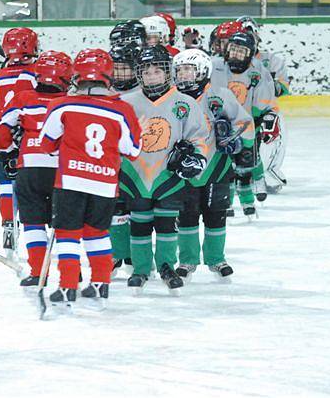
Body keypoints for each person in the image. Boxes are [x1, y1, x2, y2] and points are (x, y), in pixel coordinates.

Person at [39, 48, 142, 307]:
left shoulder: (62, 104)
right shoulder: (123, 110)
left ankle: (67, 287)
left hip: (71, 181)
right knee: (97, 232)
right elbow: (133, 150)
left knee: (67, 233)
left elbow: (46, 144)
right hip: (105, 184)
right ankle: (100, 283)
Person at [120, 45, 208, 294]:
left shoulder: (184, 103)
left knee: (167, 224)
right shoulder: (127, 103)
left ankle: (167, 266)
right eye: (146, 73)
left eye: (157, 72)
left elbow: (198, 136)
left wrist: (196, 157)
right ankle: (140, 268)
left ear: (167, 73)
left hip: (169, 176)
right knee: (139, 223)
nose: (151, 77)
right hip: (135, 174)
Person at [0, 50, 73, 286]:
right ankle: (71, 274)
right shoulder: (70, 100)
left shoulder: (23, 98)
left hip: (30, 169)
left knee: (33, 222)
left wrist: (8, 153)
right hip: (62, 171)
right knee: (66, 224)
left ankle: (38, 272)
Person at [172, 49, 255, 280]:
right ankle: (187, 260)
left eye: (188, 69)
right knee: (186, 215)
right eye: (179, 71)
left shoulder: (220, 96)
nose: (183, 75)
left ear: (203, 71)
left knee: (216, 215)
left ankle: (216, 259)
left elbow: (244, 122)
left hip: (217, 168)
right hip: (185, 171)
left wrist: (239, 143)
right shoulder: (174, 99)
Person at [211, 31, 277, 218]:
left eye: (242, 51)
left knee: (245, 167)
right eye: (233, 49)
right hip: (220, 128)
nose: (236, 55)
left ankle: (250, 197)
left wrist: (258, 119)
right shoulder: (214, 66)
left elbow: (263, 101)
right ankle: (227, 203)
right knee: (225, 169)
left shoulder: (258, 71)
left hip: (247, 127)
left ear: (250, 53)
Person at [0, 27, 39, 258]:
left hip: (0, 135)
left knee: (5, 186)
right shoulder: (37, 72)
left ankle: (8, 228)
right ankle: (37, 231)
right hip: (28, 137)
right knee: (33, 187)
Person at [237, 16, 290, 194]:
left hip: (264, 109)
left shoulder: (271, 60)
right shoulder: (227, 63)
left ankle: (269, 170)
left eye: (250, 33)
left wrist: (267, 84)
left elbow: (282, 87)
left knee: (274, 126)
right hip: (238, 111)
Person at [108, 42, 143, 278]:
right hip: (112, 162)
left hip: (140, 162)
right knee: (114, 208)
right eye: (115, 68)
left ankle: (135, 254)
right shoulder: (105, 94)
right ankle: (115, 253)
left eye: (124, 68)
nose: (118, 73)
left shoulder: (145, 94)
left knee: (138, 209)